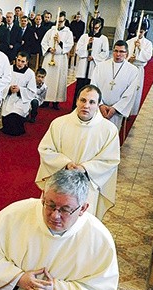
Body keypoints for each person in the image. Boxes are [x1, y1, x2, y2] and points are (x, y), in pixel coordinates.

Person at [36, 85, 120, 220]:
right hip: (59, 181)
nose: (86, 105)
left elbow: (110, 160)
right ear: (76, 101)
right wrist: (66, 163)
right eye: (83, 100)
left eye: (92, 102)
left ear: (98, 105)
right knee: (53, 219)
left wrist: (84, 168)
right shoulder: (59, 123)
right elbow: (45, 149)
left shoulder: (109, 130)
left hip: (87, 185)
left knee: (81, 226)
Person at [90, 40, 139, 129]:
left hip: (116, 112)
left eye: (121, 51)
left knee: (111, 134)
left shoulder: (133, 70)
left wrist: (115, 108)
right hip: (99, 109)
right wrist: (100, 104)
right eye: (116, 51)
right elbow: (93, 85)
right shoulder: (101, 66)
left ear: (127, 54)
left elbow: (130, 93)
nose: (118, 54)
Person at [72, 18, 109, 110]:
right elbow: (78, 50)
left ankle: (89, 108)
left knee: (91, 88)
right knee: (80, 88)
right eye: (93, 27)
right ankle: (75, 108)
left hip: (94, 65)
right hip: (84, 65)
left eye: (97, 27)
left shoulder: (103, 39)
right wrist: (87, 44)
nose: (95, 29)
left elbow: (105, 53)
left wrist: (94, 57)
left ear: (100, 27)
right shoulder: (84, 37)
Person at [40, 11, 73, 110]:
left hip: (60, 58)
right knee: (47, 79)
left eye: (61, 21)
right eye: (58, 21)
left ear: (65, 21)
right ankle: (45, 100)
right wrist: (49, 49)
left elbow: (69, 45)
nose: (59, 23)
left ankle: (56, 101)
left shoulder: (68, 33)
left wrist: (59, 42)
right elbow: (43, 42)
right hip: (49, 56)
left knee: (58, 80)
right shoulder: (51, 31)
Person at [0, 52, 36, 136]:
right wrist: (9, 88)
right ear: (16, 59)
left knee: (15, 122)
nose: (20, 63)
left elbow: (32, 91)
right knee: (7, 123)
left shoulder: (30, 73)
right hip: (8, 97)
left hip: (21, 100)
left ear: (27, 62)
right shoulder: (8, 69)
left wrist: (20, 90)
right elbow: (1, 84)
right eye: (18, 60)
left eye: (23, 61)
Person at [126, 26, 153, 115]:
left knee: (135, 90)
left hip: (138, 68)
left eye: (141, 31)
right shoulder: (129, 42)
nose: (139, 33)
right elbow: (124, 54)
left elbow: (148, 56)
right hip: (129, 67)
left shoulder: (148, 43)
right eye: (138, 31)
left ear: (145, 32)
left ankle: (131, 111)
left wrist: (140, 49)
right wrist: (129, 59)